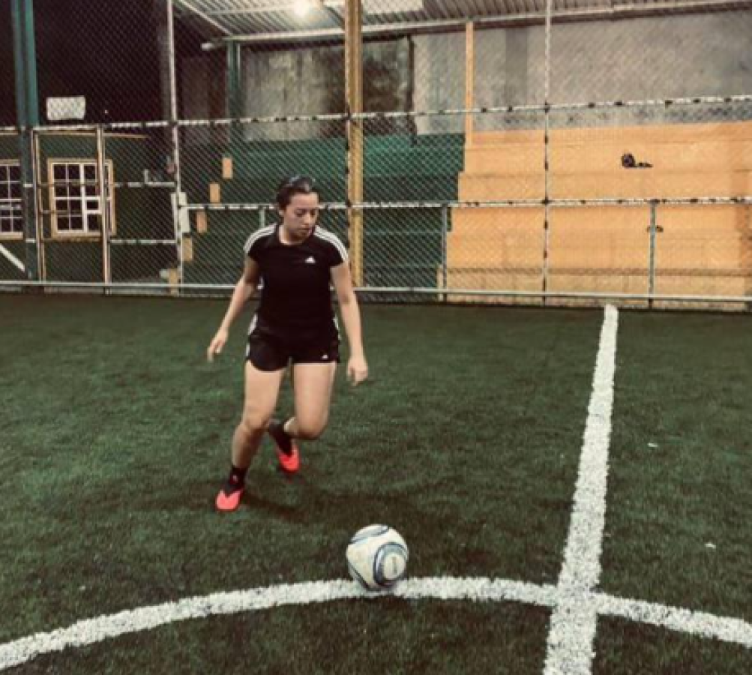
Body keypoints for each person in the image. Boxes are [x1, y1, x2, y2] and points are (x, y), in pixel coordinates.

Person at [206, 175, 368, 512]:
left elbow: (346, 299)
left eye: (314, 213)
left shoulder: (329, 247)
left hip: (316, 337)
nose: (308, 220)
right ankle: (236, 477)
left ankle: (283, 432)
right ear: (280, 210)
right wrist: (224, 328)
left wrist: (358, 353)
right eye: (300, 213)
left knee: (310, 427)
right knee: (254, 421)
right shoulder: (261, 242)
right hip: (271, 334)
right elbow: (247, 282)